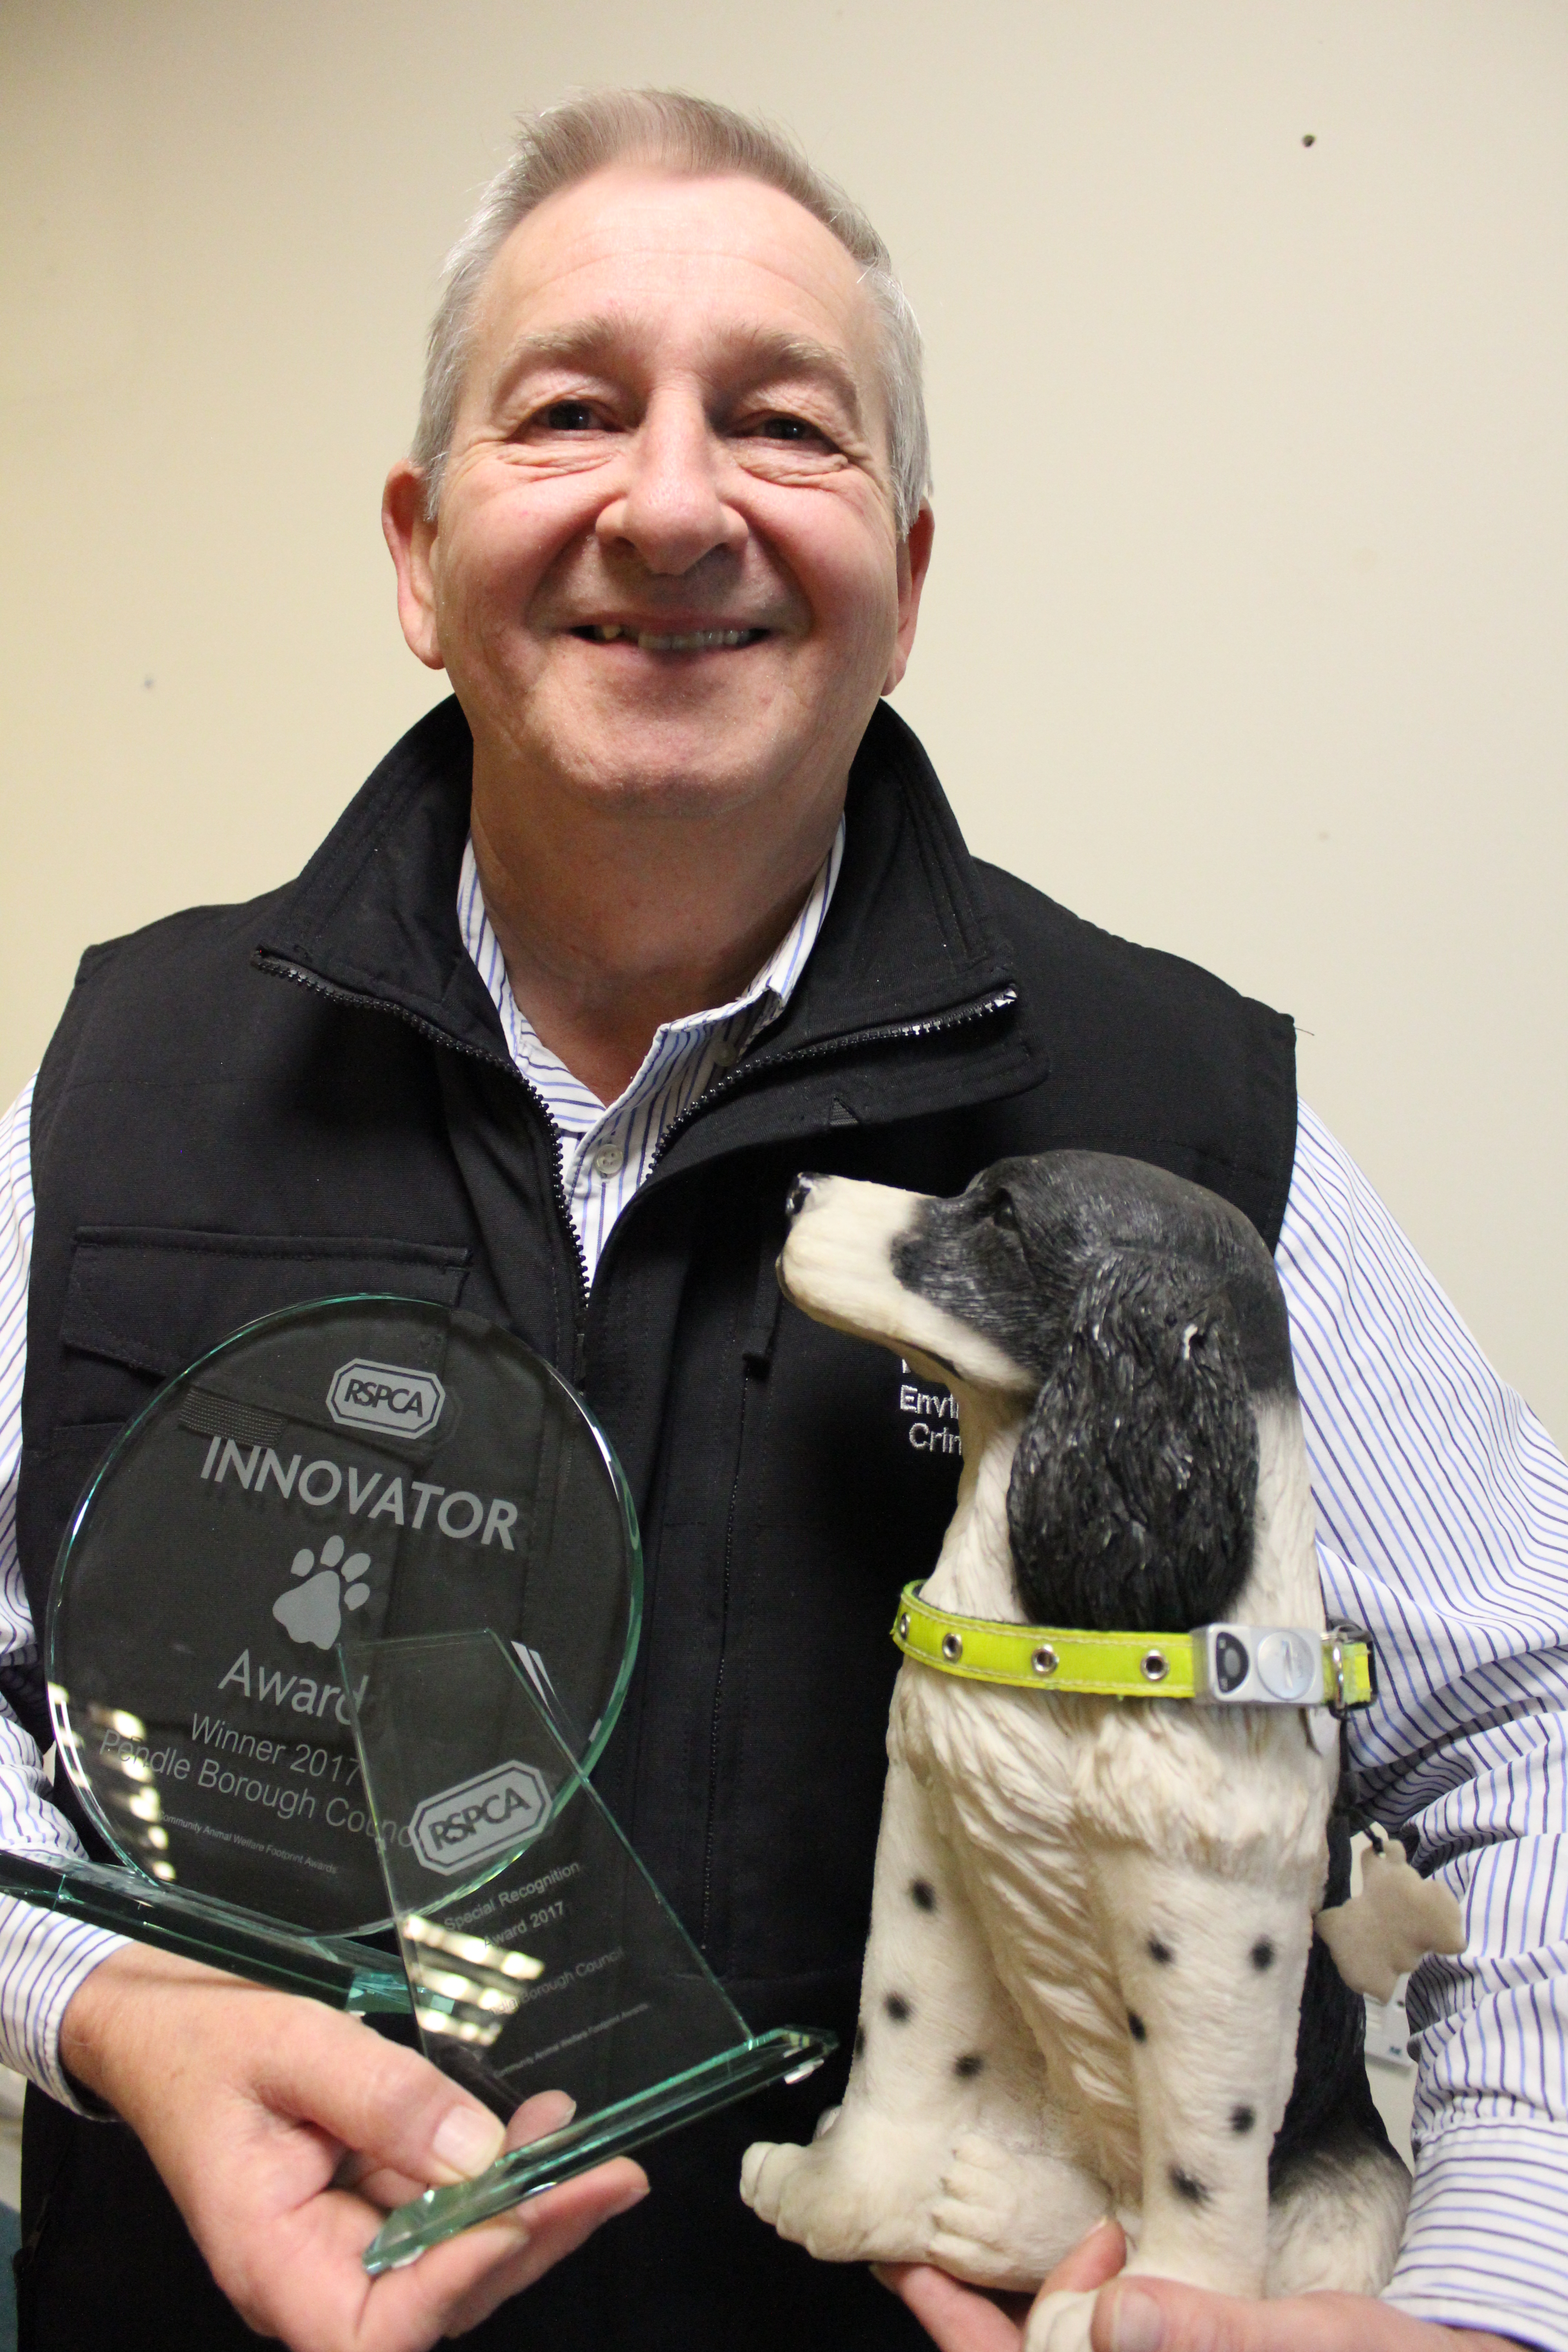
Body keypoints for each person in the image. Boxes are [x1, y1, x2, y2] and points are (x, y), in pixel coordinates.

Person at [0, 88, 1560, 2352]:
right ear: (419, 555)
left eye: (780, 425)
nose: (670, 501)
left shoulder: (1184, 1124)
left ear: (905, 584)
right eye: (570, 411)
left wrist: (1498, 2308)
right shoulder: (118, 1080)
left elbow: (1540, 1714)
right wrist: (107, 2003)